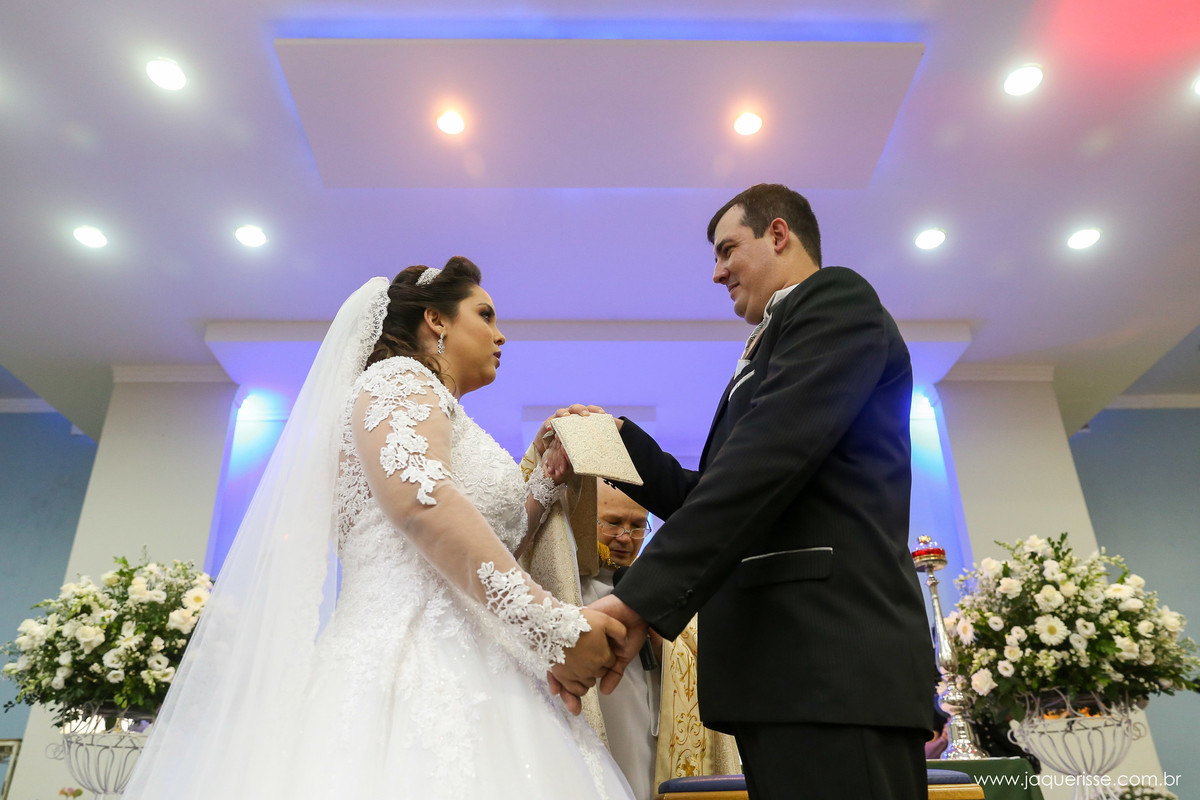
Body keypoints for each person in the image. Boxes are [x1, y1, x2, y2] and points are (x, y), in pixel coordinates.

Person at [123, 259, 634, 799]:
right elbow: (422, 504)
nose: (500, 333)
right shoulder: (398, 380)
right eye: (484, 314)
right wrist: (548, 623)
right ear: (436, 319)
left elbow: (484, 541)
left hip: (479, 653)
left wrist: (546, 476)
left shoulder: (441, 410)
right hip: (411, 655)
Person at [549, 185, 938, 800]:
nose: (717, 271)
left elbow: (763, 465)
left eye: (728, 249)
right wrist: (613, 441)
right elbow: (714, 491)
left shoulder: (837, 302)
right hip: (779, 671)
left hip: (833, 663)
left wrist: (636, 602)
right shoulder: (767, 344)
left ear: (778, 234)